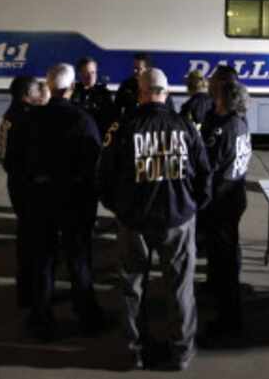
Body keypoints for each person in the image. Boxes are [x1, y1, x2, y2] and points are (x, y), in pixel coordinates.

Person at [99, 68, 212, 371]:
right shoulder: (185, 126)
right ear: (166, 92)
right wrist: (192, 207)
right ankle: (181, 352)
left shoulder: (123, 127)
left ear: (141, 93)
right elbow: (204, 173)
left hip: (134, 221)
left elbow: (105, 175)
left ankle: (134, 350)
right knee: (180, 287)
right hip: (177, 218)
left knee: (132, 286)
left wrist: (119, 208)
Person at [23, 63, 104, 340]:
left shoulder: (31, 118)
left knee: (43, 259)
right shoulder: (83, 120)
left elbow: (17, 160)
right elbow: (95, 163)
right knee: (78, 257)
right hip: (74, 199)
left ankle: (40, 318)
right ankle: (87, 316)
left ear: (49, 86)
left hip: (40, 198)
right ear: (71, 88)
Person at [199, 78, 251, 344]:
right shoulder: (240, 121)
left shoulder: (224, 129)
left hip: (221, 201)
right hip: (235, 195)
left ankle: (228, 319)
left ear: (224, 98)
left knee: (223, 263)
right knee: (226, 258)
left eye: (215, 92)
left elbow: (208, 166)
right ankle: (225, 307)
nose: (210, 94)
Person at [0, 75, 41, 309]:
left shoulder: (10, 115)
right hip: (27, 186)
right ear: (27, 94)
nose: (39, 94)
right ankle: (29, 294)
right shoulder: (25, 118)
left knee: (25, 236)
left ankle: (25, 290)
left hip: (15, 183)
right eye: (36, 90)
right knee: (31, 241)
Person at [114, 53, 175, 120]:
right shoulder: (126, 85)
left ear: (147, 69)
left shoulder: (160, 86)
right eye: (134, 68)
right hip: (131, 125)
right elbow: (116, 110)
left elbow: (171, 111)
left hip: (152, 125)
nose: (135, 71)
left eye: (139, 69)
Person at [71, 56, 116, 137]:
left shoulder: (104, 94)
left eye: (93, 72)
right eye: (86, 73)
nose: (91, 76)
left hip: (95, 138)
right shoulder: (72, 92)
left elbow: (110, 120)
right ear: (79, 73)